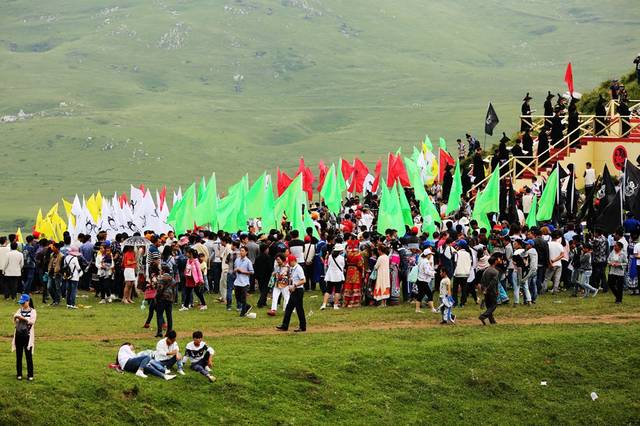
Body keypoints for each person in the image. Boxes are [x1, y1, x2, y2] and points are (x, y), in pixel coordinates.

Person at [277, 255, 307, 332]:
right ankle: (285, 325)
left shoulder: (299, 269)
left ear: (293, 261)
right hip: (294, 291)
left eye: (289, 262)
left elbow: (303, 280)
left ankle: (302, 326)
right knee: (289, 308)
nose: (289, 264)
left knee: (299, 309)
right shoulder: (293, 268)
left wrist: (294, 285)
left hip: (298, 291)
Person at [12, 293, 36, 380]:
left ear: (28, 301)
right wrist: (18, 318)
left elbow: (31, 322)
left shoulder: (33, 311)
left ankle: (30, 375)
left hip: (28, 337)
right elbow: (15, 319)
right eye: (21, 303)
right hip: (18, 336)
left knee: (28, 356)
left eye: (23, 302)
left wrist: (22, 318)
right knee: (19, 356)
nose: (22, 304)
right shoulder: (19, 310)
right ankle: (19, 374)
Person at [479, 254, 502, 325]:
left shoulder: (486, 270)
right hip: (491, 291)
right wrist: (495, 290)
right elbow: (493, 283)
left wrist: (484, 290)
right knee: (494, 305)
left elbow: (482, 281)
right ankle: (483, 316)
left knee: (489, 306)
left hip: (485, 290)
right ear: (495, 262)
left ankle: (492, 321)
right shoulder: (495, 272)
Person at [321, 243, 345, 310]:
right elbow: (342, 266)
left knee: (328, 290)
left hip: (330, 275)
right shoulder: (341, 258)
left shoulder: (330, 257)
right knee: (337, 291)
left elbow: (328, 264)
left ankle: (324, 304)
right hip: (338, 276)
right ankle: (335, 305)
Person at [155, 265, 176, 337]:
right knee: (169, 315)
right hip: (170, 299)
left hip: (162, 299)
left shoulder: (162, 278)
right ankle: (169, 331)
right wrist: (173, 298)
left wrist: (157, 296)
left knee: (159, 315)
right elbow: (174, 290)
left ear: (163, 271)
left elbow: (160, 289)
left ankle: (159, 332)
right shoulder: (172, 279)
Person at [233, 246, 254, 317]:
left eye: (243, 251)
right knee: (237, 298)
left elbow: (251, 272)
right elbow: (235, 268)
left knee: (243, 298)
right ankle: (247, 306)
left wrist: (243, 271)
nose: (241, 252)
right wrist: (235, 270)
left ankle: (243, 313)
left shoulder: (248, 261)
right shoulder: (237, 260)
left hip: (245, 282)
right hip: (237, 281)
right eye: (240, 251)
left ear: (246, 252)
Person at [415, 248, 437, 313]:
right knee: (429, 294)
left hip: (420, 280)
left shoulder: (422, 261)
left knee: (420, 295)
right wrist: (433, 273)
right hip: (423, 281)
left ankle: (417, 309)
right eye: (430, 254)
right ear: (428, 255)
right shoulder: (426, 262)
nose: (431, 255)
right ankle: (432, 309)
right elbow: (427, 271)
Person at [343, 242, 364, 308]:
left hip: (349, 271)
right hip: (356, 271)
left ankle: (347, 302)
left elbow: (346, 262)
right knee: (355, 285)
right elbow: (360, 264)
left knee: (349, 285)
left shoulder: (348, 254)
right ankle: (354, 302)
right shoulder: (358, 255)